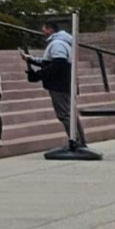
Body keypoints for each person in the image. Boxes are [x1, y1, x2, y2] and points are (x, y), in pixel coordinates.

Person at [25, 14, 83, 146]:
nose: (43, 32)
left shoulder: (57, 43)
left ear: (50, 29)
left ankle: (77, 142)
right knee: (70, 114)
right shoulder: (62, 43)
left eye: (44, 29)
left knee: (65, 114)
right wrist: (32, 59)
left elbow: (58, 64)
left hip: (59, 85)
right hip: (65, 83)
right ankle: (79, 141)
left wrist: (38, 75)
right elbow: (51, 62)